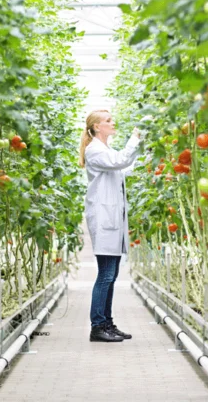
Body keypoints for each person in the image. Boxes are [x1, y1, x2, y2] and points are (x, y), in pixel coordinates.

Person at [79, 109, 144, 343]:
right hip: (104, 219)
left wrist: (144, 153)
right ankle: (97, 326)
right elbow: (120, 161)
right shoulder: (94, 150)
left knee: (112, 273)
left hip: (112, 219)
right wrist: (135, 138)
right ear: (97, 127)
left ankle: (107, 322)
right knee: (106, 275)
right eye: (108, 120)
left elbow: (124, 167)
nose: (112, 122)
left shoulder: (105, 150)